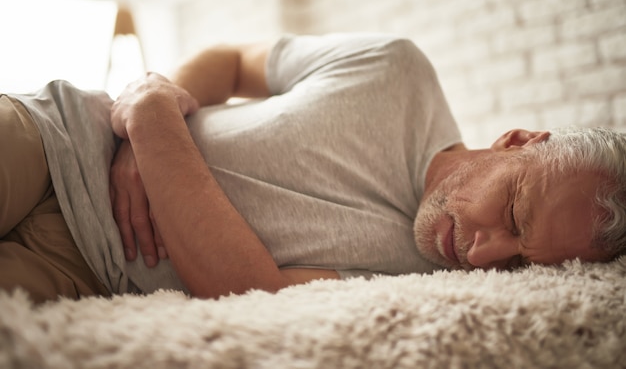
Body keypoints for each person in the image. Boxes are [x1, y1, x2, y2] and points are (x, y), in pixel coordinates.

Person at [1, 33, 624, 303]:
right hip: (62, 137)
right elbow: (230, 60)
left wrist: (154, 122)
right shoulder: (396, 69)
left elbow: (240, 284)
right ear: (515, 141)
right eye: (513, 211)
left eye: (518, 262)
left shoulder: (407, 280)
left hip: (84, 265)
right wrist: (147, 104)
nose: (485, 256)